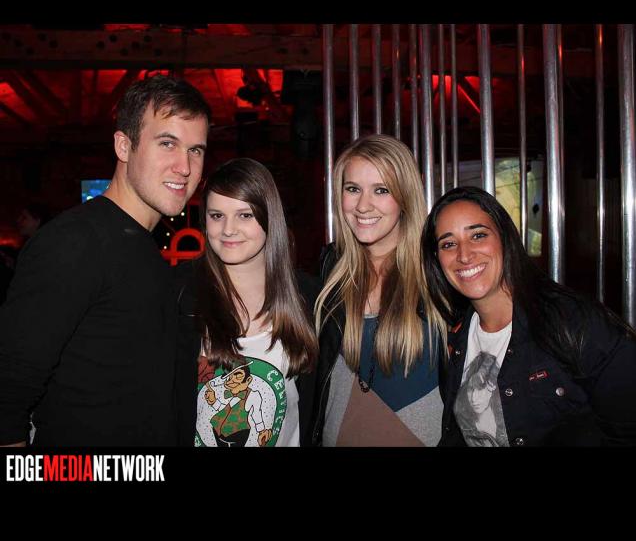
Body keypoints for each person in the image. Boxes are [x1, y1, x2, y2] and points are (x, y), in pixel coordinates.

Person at [0, 74, 211, 446]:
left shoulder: (142, 246)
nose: (185, 166)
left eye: (196, 150)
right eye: (167, 143)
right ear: (124, 146)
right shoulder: (74, 242)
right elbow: (7, 396)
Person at [422, 186, 636, 446]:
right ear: (437, 259)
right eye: (448, 244)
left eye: (478, 235)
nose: (464, 255)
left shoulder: (573, 322)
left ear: (505, 238)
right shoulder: (453, 338)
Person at [312, 134, 446, 446]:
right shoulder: (332, 268)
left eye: (381, 190)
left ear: (405, 196)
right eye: (352, 189)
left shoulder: (437, 270)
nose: (363, 205)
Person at [175, 158, 319, 447]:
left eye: (244, 215)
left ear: (269, 218)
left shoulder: (309, 296)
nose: (228, 229)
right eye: (217, 215)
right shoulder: (178, 293)